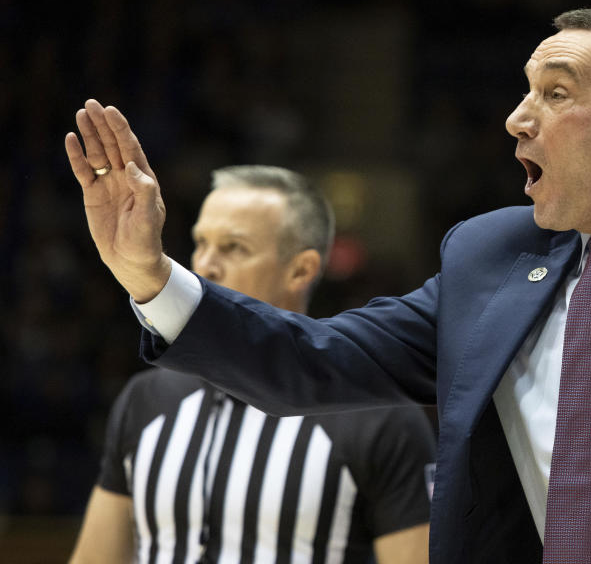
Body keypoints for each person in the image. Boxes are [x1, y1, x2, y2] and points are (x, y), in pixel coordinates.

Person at [65, 8, 591, 563]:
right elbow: (316, 361)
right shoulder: (488, 257)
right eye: (524, 93)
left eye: (556, 94)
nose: (518, 119)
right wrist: (149, 274)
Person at [68, 165, 435, 564]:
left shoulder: (384, 417)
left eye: (233, 248)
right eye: (200, 243)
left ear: (301, 270)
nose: (204, 265)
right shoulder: (146, 398)